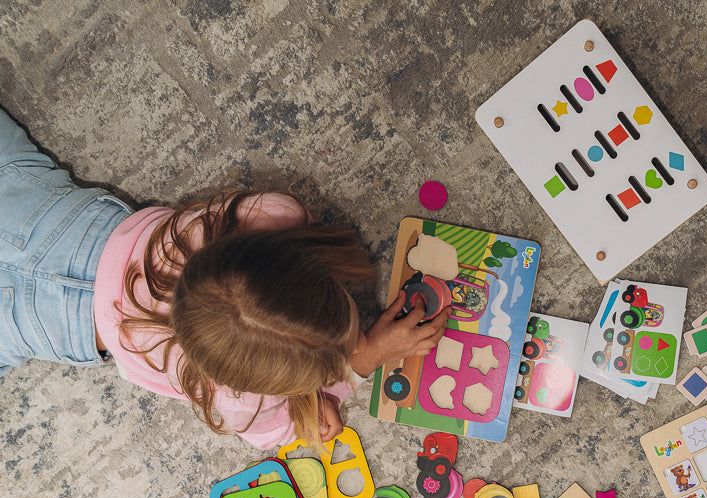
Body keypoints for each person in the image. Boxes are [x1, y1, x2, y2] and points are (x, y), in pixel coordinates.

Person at [0, 104, 448, 449]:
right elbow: (277, 435)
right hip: (47, 310)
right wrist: (361, 364)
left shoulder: (271, 218)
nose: (354, 342)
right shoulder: (237, 399)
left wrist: (338, 367)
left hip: (47, 220)